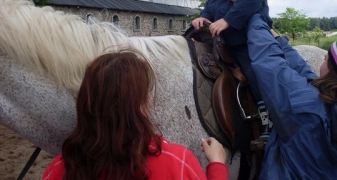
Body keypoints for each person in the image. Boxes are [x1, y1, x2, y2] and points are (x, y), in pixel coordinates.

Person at [42, 49, 228, 180]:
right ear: (144, 101)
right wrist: (217, 165)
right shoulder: (178, 163)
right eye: (147, 92)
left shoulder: (59, 168)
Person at [245, 13, 337, 179]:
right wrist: (280, 41)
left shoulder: (306, 107)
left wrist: (254, 15)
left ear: (332, 71)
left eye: (327, 59)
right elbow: (305, 73)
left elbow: (268, 62)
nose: (324, 57)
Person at [192, 0, 274, 142]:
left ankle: (269, 115)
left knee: (255, 69)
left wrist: (228, 20)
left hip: (248, 36)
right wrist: (204, 16)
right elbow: (212, 3)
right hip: (226, 36)